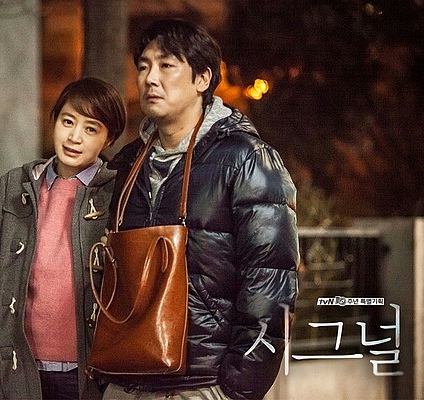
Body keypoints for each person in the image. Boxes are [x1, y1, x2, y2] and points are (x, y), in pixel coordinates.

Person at [99, 19, 299, 400]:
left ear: (203, 78)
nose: (150, 78)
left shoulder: (245, 160)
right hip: (124, 381)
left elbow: (270, 286)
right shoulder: (126, 165)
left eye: (166, 65)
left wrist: (235, 389)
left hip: (201, 386)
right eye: (143, 66)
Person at [0, 77, 127, 399]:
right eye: (68, 121)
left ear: (108, 139)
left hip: (90, 373)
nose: (74, 137)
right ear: (54, 120)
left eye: (91, 129)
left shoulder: (118, 193)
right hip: (18, 369)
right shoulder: (15, 186)